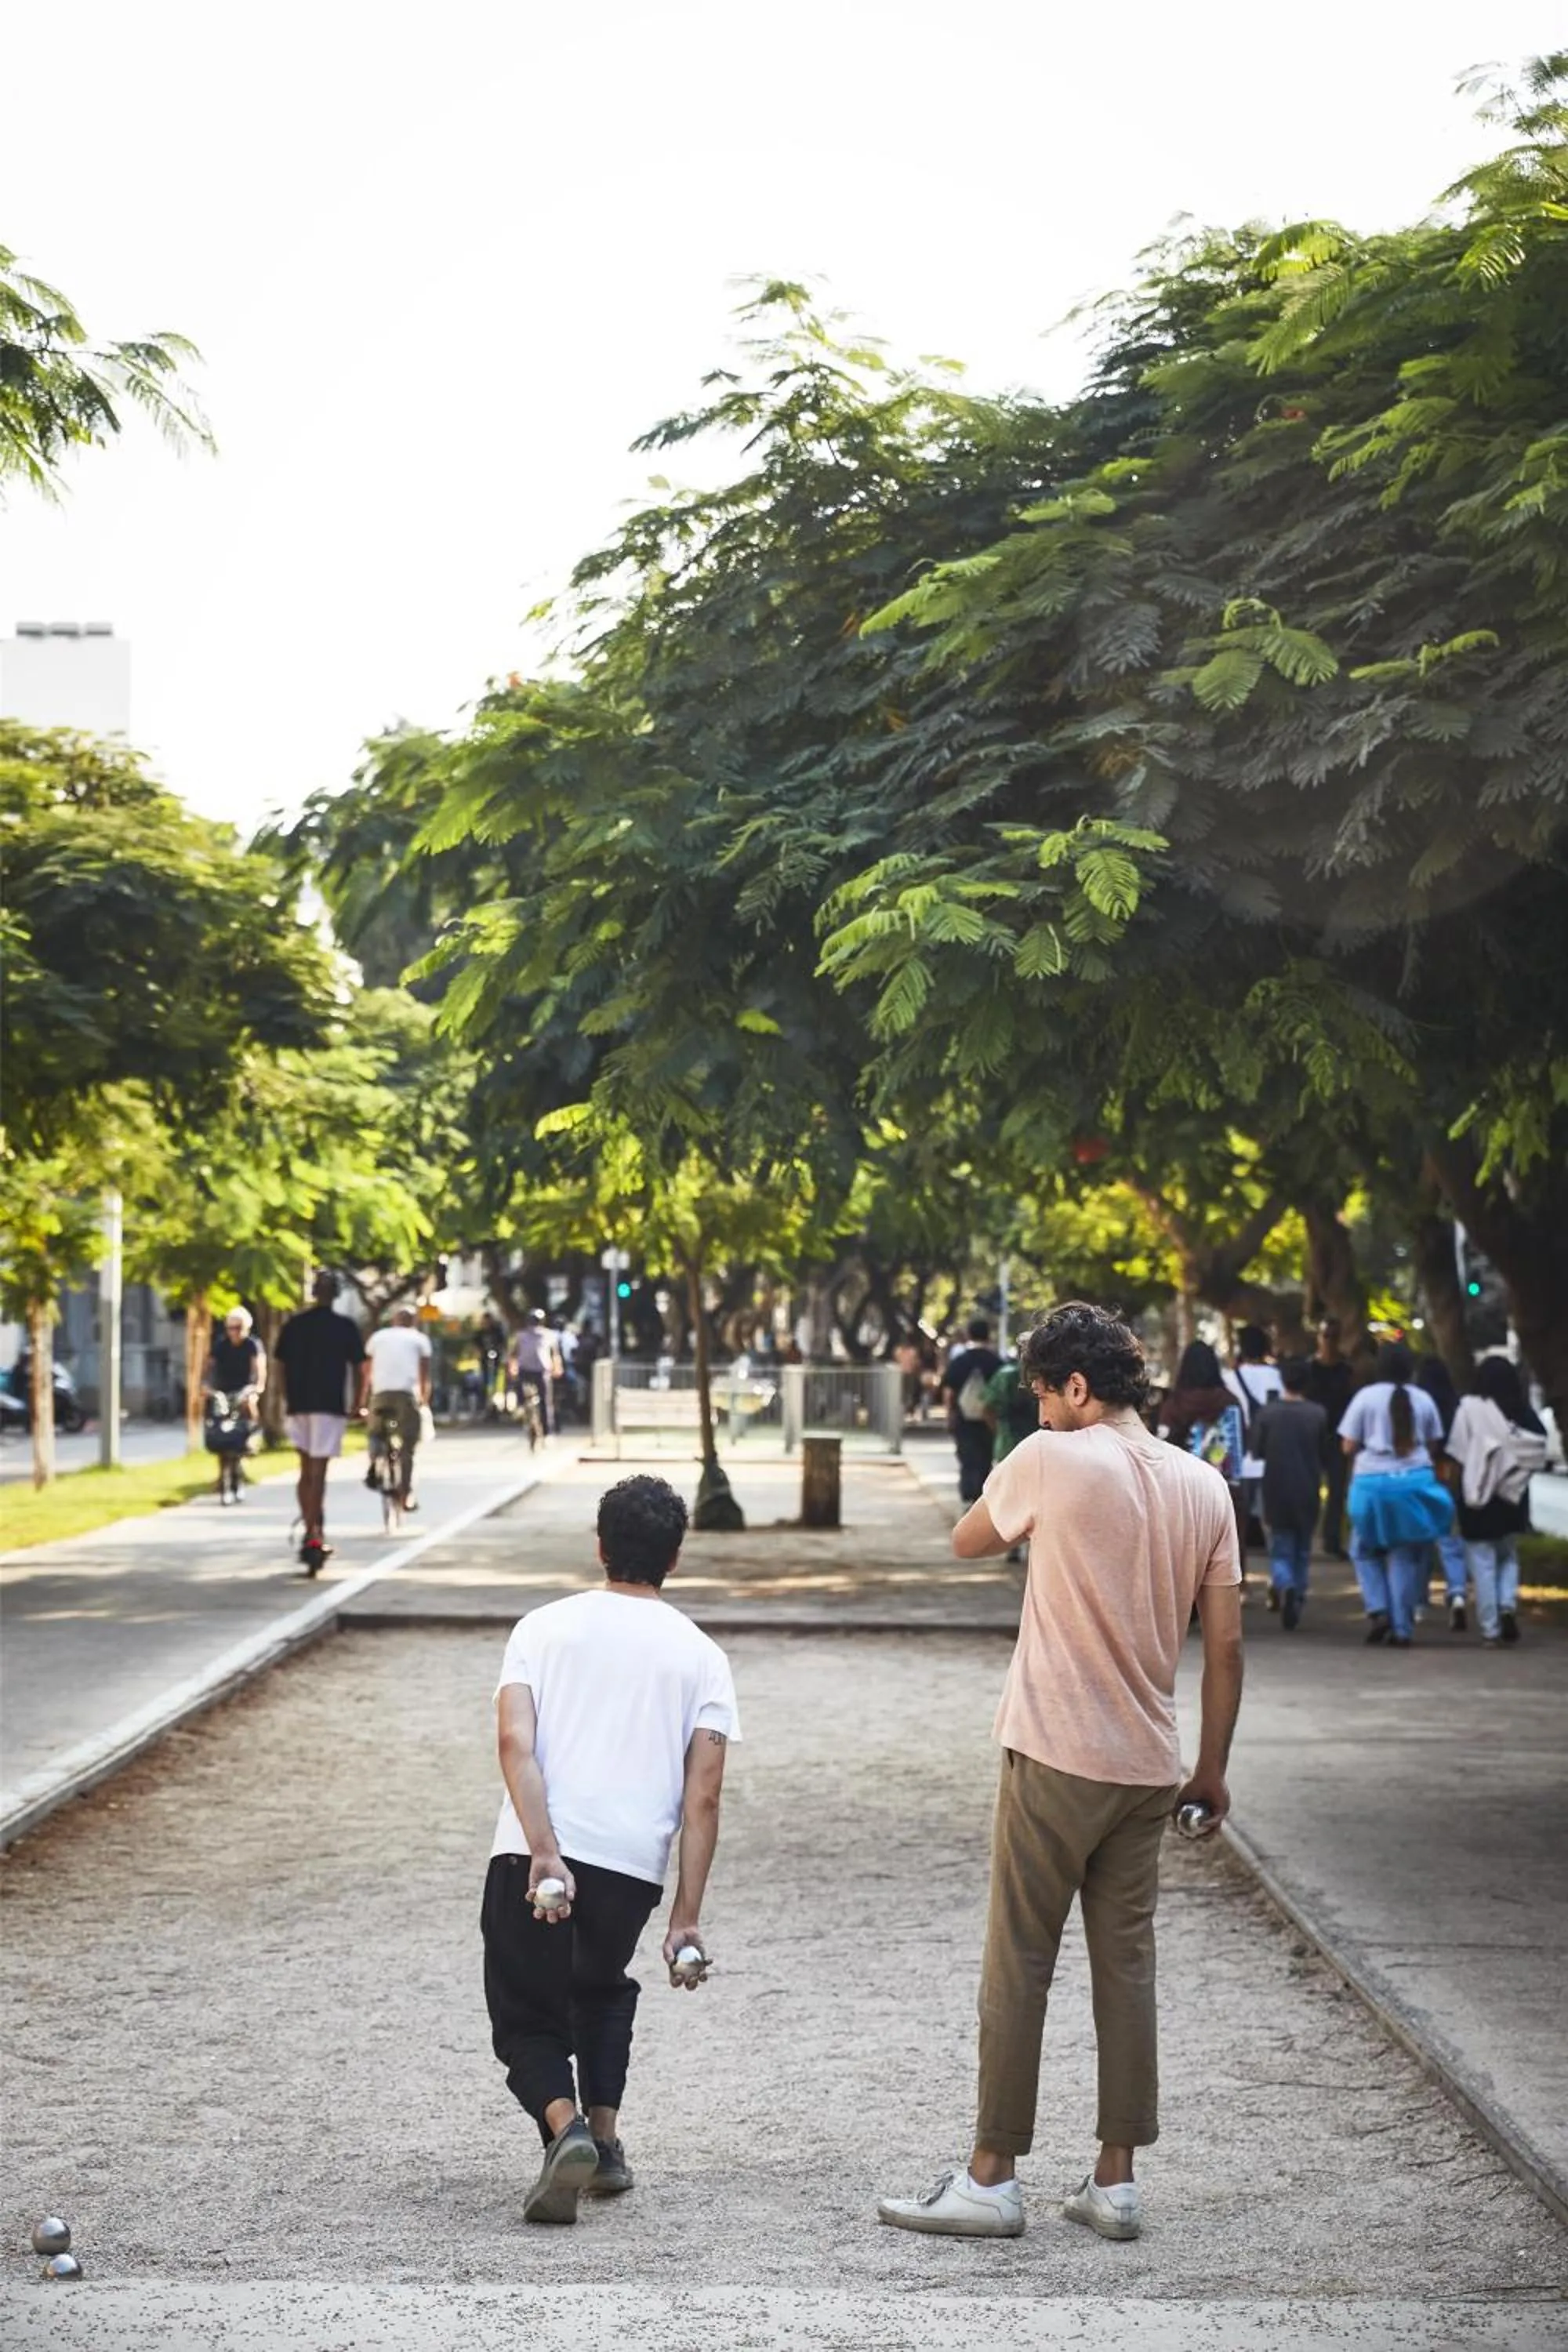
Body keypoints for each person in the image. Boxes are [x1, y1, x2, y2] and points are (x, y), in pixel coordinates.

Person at [878, 1302, 1243, 2245]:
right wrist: (1210, 1769)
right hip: (1148, 1762)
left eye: (1042, 1395)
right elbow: (1227, 1647)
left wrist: (1034, 1481)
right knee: (1126, 1969)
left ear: (1077, 1388)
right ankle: (1114, 2182)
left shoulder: (1051, 1458)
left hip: (1052, 1749)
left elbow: (968, 1537)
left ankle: (991, 2174)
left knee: (1018, 1963)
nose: (1036, 1413)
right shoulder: (1204, 1486)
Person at [482, 1475, 741, 2224]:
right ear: (676, 1556)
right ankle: (607, 2143)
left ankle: (564, 2132)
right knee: (599, 1988)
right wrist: (685, 1917)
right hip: (632, 1864)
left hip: (533, 1854)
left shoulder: (541, 1628)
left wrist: (542, 1851)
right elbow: (704, 1796)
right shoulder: (703, 1657)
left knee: (525, 2010)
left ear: (599, 1546)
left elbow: (513, 1742)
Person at [1338, 1341, 1454, 1646]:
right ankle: (1402, 1629)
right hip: (1414, 1486)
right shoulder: (1423, 1399)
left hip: (1371, 1486)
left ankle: (1378, 1609)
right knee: (1404, 1555)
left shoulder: (1365, 1397)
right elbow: (1434, 1444)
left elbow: (1348, 1445)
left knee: (1363, 1550)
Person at [1446, 1357, 1549, 1646]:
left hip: (1477, 1497)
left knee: (1482, 1563)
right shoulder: (1521, 1410)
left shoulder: (1469, 1408)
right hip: (1512, 1496)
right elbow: (1539, 1445)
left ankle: (1490, 1630)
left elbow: (1457, 1451)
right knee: (1507, 1556)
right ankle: (1507, 1607)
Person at [273, 1271, 366, 1573]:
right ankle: (314, 1532)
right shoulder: (344, 1327)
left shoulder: (295, 1325)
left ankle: (311, 1529)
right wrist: (358, 1405)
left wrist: (287, 1399)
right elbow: (360, 1369)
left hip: (300, 1404)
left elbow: (280, 1366)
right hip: (328, 1406)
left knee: (305, 1472)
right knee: (318, 1473)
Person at [1250, 1357, 1326, 1630]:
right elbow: (1324, 1452)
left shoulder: (1267, 1414)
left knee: (1280, 1545)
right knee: (1303, 1548)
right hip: (1307, 1485)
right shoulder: (1317, 1414)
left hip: (1275, 1486)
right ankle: (1299, 1591)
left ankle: (1285, 1584)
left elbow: (1256, 1450)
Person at [1414, 1355, 1472, 1631]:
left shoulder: (1418, 1404)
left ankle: (1419, 1603)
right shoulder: (1456, 1405)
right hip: (1448, 1475)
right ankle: (1458, 1593)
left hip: (1420, 1475)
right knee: (1450, 1542)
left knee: (1419, 1543)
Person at [1224, 1327, 1283, 1591]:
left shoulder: (1229, 1378)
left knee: (1239, 1528)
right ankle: (1279, 1579)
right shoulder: (1278, 1376)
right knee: (1272, 1525)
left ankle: (1241, 1582)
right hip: (1273, 1460)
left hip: (1239, 1463)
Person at [360, 1305, 432, 1512]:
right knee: (408, 1446)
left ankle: (374, 1462)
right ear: (414, 1322)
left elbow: (366, 1370)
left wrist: (364, 1399)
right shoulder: (419, 1339)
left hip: (380, 1396)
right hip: (406, 1395)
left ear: (393, 1321)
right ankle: (406, 1494)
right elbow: (424, 1374)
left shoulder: (378, 1337)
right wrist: (424, 1399)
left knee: (375, 1432)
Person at [982, 1352, 1044, 1563]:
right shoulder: (1050, 1376)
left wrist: (998, 1431)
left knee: (1011, 1499)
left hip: (1009, 1445)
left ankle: (1012, 1544)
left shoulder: (1005, 1376)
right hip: (1043, 1448)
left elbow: (986, 1408)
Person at [1302, 1320, 1356, 1558]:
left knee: (1337, 1491)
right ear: (1319, 1338)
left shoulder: (1347, 1371)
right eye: (1326, 1335)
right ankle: (1306, 1536)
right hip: (1312, 1436)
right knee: (1309, 1489)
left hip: (1337, 1437)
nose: (1329, 1341)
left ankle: (1332, 1539)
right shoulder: (1309, 1369)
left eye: (1333, 1336)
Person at [942, 1317, 1003, 1504]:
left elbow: (949, 1392)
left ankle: (968, 1493)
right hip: (989, 1420)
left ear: (969, 1334)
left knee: (967, 1456)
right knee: (985, 1456)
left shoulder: (960, 1361)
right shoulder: (996, 1362)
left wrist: (949, 1415)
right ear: (988, 1335)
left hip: (963, 1418)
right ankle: (982, 1495)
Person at [204, 1306, 266, 1425]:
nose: (234, 1332)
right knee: (217, 1405)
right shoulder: (221, 1345)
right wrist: (207, 1386)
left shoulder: (252, 1345)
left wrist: (254, 1388)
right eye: (230, 1328)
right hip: (223, 1389)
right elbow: (208, 1367)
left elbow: (259, 1371)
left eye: (238, 1328)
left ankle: (253, 1432)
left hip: (245, 1389)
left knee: (248, 1402)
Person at [512, 1311, 559, 1436]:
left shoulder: (548, 1335)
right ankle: (524, 1411)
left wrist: (557, 1368)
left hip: (538, 1371)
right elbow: (514, 1354)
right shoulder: (522, 1336)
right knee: (539, 1398)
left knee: (543, 1401)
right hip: (531, 1370)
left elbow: (554, 1354)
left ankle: (546, 1429)